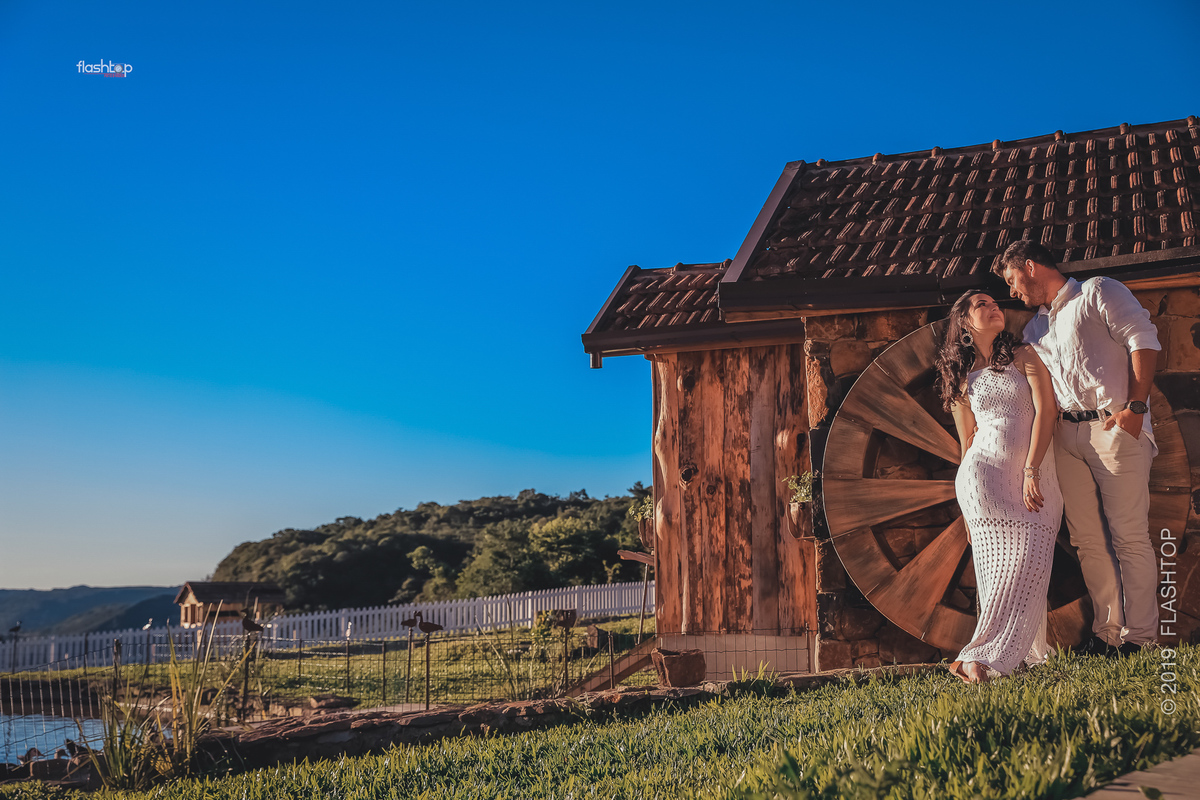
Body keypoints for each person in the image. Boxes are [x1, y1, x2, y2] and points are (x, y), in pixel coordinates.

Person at [995, 240, 1161, 657]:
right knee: (1087, 539)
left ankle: (1141, 638)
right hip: (1066, 438)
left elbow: (1144, 339)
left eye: (1013, 281)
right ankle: (1108, 634)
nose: (1013, 292)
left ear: (1030, 267)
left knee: (1129, 537)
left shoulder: (1099, 291)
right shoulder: (1036, 329)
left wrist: (1135, 409)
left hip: (1114, 426)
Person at [936, 290, 1062, 683]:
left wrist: (1031, 470)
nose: (993, 307)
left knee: (1030, 560)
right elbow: (967, 441)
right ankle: (988, 658)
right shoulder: (960, 377)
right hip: (982, 479)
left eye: (994, 302)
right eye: (981, 304)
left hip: (1031, 475)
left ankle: (991, 654)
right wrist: (967, 511)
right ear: (964, 323)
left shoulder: (1024, 356)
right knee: (995, 572)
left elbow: (1047, 411)